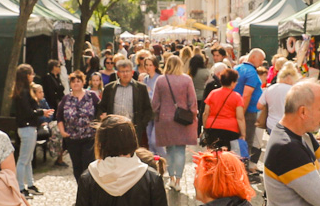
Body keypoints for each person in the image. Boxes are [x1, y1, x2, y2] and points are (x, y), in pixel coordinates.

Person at [152, 54, 199, 190]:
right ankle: (178, 180)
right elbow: (192, 100)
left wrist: (156, 114)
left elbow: (155, 103)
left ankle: (171, 177)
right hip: (182, 119)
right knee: (180, 150)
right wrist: (193, 115)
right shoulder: (187, 80)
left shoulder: (161, 80)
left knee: (169, 150)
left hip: (165, 119)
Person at [57, 71, 100, 181]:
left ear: (83, 82)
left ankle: (89, 188)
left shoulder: (92, 96)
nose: (76, 83)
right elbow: (60, 117)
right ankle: (81, 188)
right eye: (73, 81)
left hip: (89, 137)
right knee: (77, 166)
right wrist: (62, 132)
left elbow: (101, 113)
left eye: (78, 81)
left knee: (88, 164)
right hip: (72, 138)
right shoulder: (66, 99)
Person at [10, 63, 43, 197]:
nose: (33, 76)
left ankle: (30, 184)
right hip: (27, 128)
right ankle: (20, 187)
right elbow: (28, 112)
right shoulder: (23, 92)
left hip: (28, 127)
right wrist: (41, 112)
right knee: (24, 159)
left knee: (28, 159)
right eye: (32, 74)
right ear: (27, 76)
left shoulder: (23, 90)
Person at [105, 58, 155, 144]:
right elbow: (102, 107)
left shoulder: (140, 88)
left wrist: (141, 125)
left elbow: (148, 109)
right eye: (122, 71)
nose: (125, 74)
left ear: (132, 73)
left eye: (127, 71)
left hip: (133, 130)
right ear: (118, 73)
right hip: (113, 129)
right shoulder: (109, 88)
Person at [202, 69, 247, 153]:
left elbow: (205, 113)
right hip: (230, 130)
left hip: (212, 127)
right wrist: (243, 134)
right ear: (233, 83)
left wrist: (205, 128)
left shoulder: (213, 93)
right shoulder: (237, 97)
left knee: (212, 154)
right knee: (227, 155)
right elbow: (240, 117)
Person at [256, 64, 301, 140]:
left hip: (271, 125)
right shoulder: (295, 90)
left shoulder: (270, 88)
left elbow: (259, 106)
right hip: (289, 126)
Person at [236, 49, 267, 158]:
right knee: (246, 140)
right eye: (261, 59)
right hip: (248, 112)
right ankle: (243, 168)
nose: (261, 63)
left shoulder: (237, 68)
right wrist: (242, 114)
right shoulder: (252, 73)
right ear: (253, 57)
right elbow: (246, 95)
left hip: (237, 109)